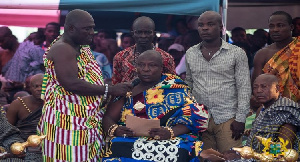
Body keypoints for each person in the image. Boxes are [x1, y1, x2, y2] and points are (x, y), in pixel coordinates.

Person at [37, 9, 132, 161]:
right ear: (70, 29)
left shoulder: (81, 46)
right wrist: (110, 89)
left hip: (86, 120)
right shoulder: (63, 48)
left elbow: (89, 78)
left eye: (92, 27)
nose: (92, 32)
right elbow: (71, 83)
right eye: (86, 28)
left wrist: (116, 84)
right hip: (67, 123)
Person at [103, 50, 208, 161]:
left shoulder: (175, 86)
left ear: (161, 68)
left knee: (181, 151)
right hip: (131, 139)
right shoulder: (127, 89)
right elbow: (108, 117)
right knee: (115, 146)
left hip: (169, 138)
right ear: (136, 67)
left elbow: (195, 115)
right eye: (141, 65)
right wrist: (116, 129)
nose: (146, 69)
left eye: (152, 65)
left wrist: (170, 132)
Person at [185, 11, 251, 153]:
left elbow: (244, 87)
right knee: (205, 158)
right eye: (201, 25)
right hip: (200, 118)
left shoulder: (237, 53)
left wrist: (240, 119)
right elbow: (189, 83)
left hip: (228, 118)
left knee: (231, 157)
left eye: (210, 24)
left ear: (221, 27)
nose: (205, 28)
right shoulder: (191, 53)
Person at [251, 11, 300, 103]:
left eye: (280, 25)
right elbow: (256, 88)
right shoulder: (262, 54)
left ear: (291, 27)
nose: (275, 30)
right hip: (272, 106)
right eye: (271, 26)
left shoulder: (298, 48)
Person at [112, 16, 176, 84]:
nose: (143, 36)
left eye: (147, 32)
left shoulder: (166, 58)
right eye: (139, 32)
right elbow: (116, 84)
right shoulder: (120, 57)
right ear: (133, 34)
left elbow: (172, 84)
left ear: (154, 34)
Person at [248, 74, 300, 151]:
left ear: (277, 88)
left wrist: (252, 155)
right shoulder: (262, 109)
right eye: (255, 87)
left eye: (264, 86)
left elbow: (282, 150)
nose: (259, 90)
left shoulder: (285, 110)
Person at [5, 73, 44, 161]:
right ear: (29, 88)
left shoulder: (55, 104)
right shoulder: (18, 104)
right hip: (21, 147)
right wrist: (14, 146)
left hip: (47, 148)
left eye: (42, 86)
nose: (39, 89)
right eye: (36, 86)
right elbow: (6, 131)